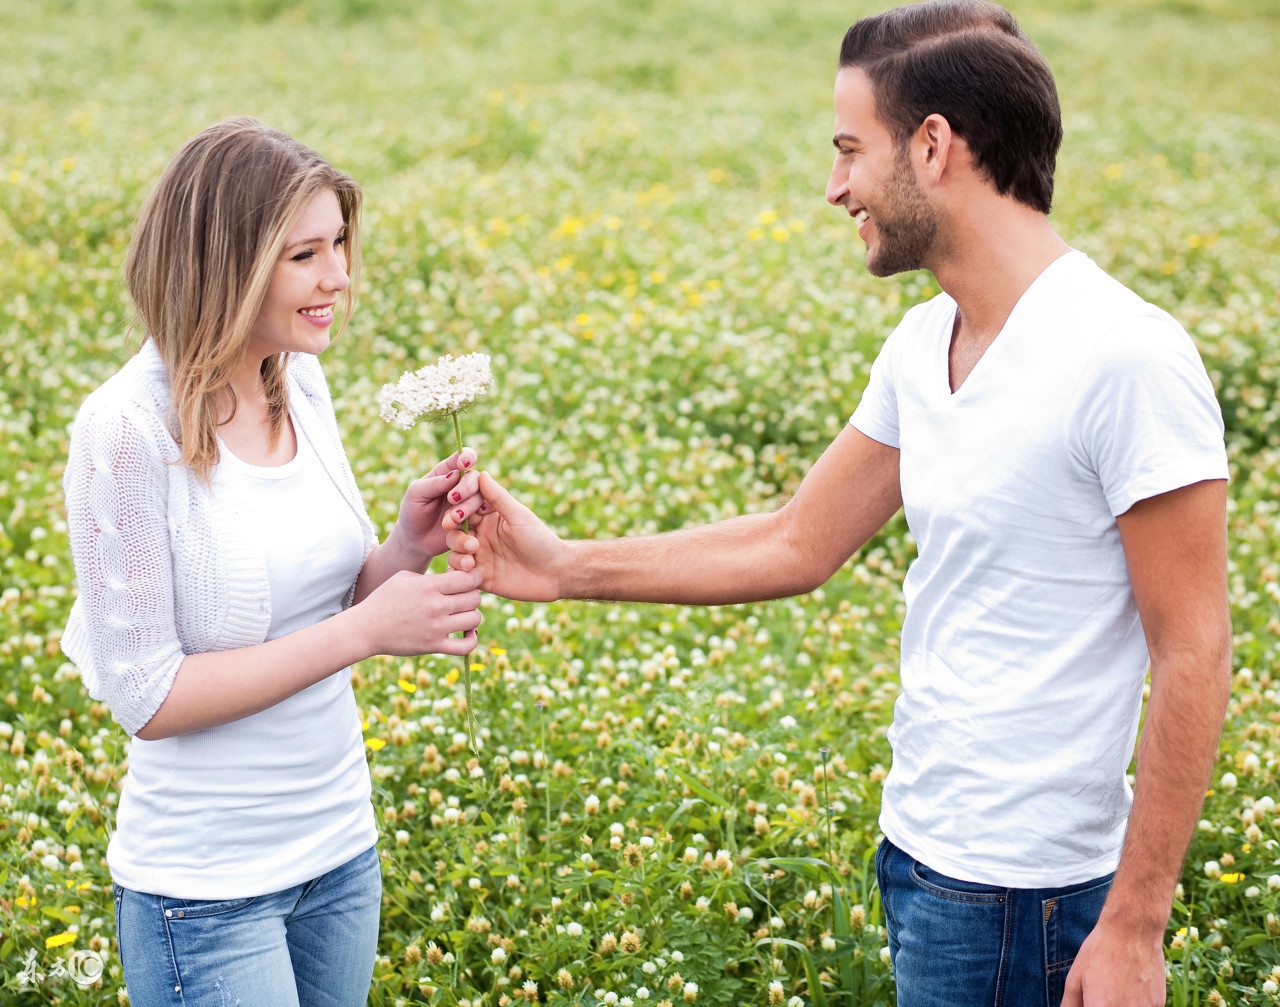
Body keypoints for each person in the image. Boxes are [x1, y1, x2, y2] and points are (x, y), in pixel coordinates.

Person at [444, 3, 1231, 1005]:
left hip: (1032, 894)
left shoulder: (1124, 355)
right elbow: (794, 540)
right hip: (919, 856)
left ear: (933, 146)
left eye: (850, 150)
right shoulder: (924, 343)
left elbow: (1194, 647)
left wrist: (1134, 923)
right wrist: (562, 567)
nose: (833, 188)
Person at [61, 118, 488, 1007]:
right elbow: (148, 698)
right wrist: (366, 633)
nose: (339, 276)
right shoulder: (125, 429)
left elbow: (326, 606)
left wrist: (406, 546)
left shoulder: (297, 381)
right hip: (207, 891)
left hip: (339, 852)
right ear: (227, 265)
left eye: (339, 243)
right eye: (305, 254)